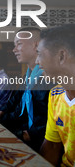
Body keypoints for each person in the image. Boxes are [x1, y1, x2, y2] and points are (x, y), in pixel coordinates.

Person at [0, 27, 49, 152]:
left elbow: (57, 120)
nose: (14, 50)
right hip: (24, 130)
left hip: (42, 140)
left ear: (36, 45)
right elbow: (21, 107)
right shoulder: (27, 77)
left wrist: (28, 134)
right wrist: (1, 118)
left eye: (19, 44)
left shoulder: (51, 77)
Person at [37, 25, 75, 167]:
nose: (37, 62)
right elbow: (52, 145)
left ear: (61, 56)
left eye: (40, 54)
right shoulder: (56, 94)